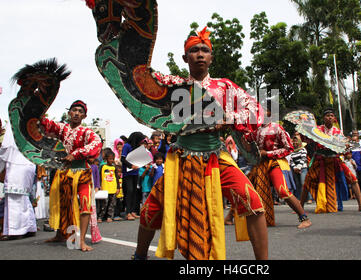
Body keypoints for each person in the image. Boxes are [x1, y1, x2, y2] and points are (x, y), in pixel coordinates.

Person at [134, 27, 268, 260]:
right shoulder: (173, 85)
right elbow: (142, 80)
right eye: (194, 50)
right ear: (185, 57)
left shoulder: (225, 87)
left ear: (211, 57)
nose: (199, 54)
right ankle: (139, 255)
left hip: (216, 156)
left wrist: (229, 118)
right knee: (151, 209)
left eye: (205, 50)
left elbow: (257, 110)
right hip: (182, 158)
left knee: (252, 200)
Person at [40, 100, 103, 251]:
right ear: (69, 113)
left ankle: (81, 240)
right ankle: (60, 234)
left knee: (85, 205)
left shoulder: (87, 132)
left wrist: (76, 154)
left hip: (82, 173)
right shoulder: (61, 128)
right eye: (74, 110)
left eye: (80, 112)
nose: (77, 113)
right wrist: (38, 107)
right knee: (63, 203)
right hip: (64, 172)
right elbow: (45, 125)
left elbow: (97, 143)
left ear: (84, 116)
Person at [301, 108, 361, 213]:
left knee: (353, 179)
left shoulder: (338, 132)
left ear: (334, 119)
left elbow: (343, 147)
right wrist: (303, 130)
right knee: (307, 180)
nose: (329, 117)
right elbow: (306, 139)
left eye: (331, 116)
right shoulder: (317, 129)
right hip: (320, 158)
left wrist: (346, 147)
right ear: (323, 118)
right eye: (327, 115)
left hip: (334, 158)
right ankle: (300, 206)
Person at [0, 125, 37, 240]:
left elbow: (5, 147)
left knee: (14, 199)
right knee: (24, 197)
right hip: (29, 163)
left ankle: (16, 231)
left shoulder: (13, 124)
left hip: (16, 163)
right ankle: (29, 227)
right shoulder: (31, 124)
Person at [121, 131, 147, 221]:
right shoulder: (127, 146)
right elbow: (123, 159)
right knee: (129, 191)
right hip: (127, 173)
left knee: (134, 192)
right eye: (140, 140)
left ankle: (132, 211)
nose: (141, 142)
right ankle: (127, 212)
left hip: (135, 172)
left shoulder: (137, 147)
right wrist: (131, 166)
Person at [98, 150, 120, 222]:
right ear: (106, 159)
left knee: (112, 204)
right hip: (105, 188)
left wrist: (118, 188)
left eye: (113, 159)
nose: (112, 160)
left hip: (113, 188)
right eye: (110, 159)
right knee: (104, 204)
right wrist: (99, 186)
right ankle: (100, 217)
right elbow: (100, 177)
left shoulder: (114, 168)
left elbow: (117, 178)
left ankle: (109, 216)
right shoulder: (103, 167)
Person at [289, 133, 312, 203]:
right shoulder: (291, 151)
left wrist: (299, 167)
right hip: (295, 169)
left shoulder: (303, 150)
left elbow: (303, 159)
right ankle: (299, 199)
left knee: (303, 183)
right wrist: (295, 168)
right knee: (298, 185)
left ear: (299, 142)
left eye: (296, 141)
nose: (295, 143)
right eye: (294, 141)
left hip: (303, 168)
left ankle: (309, 198)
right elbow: (291, 160)